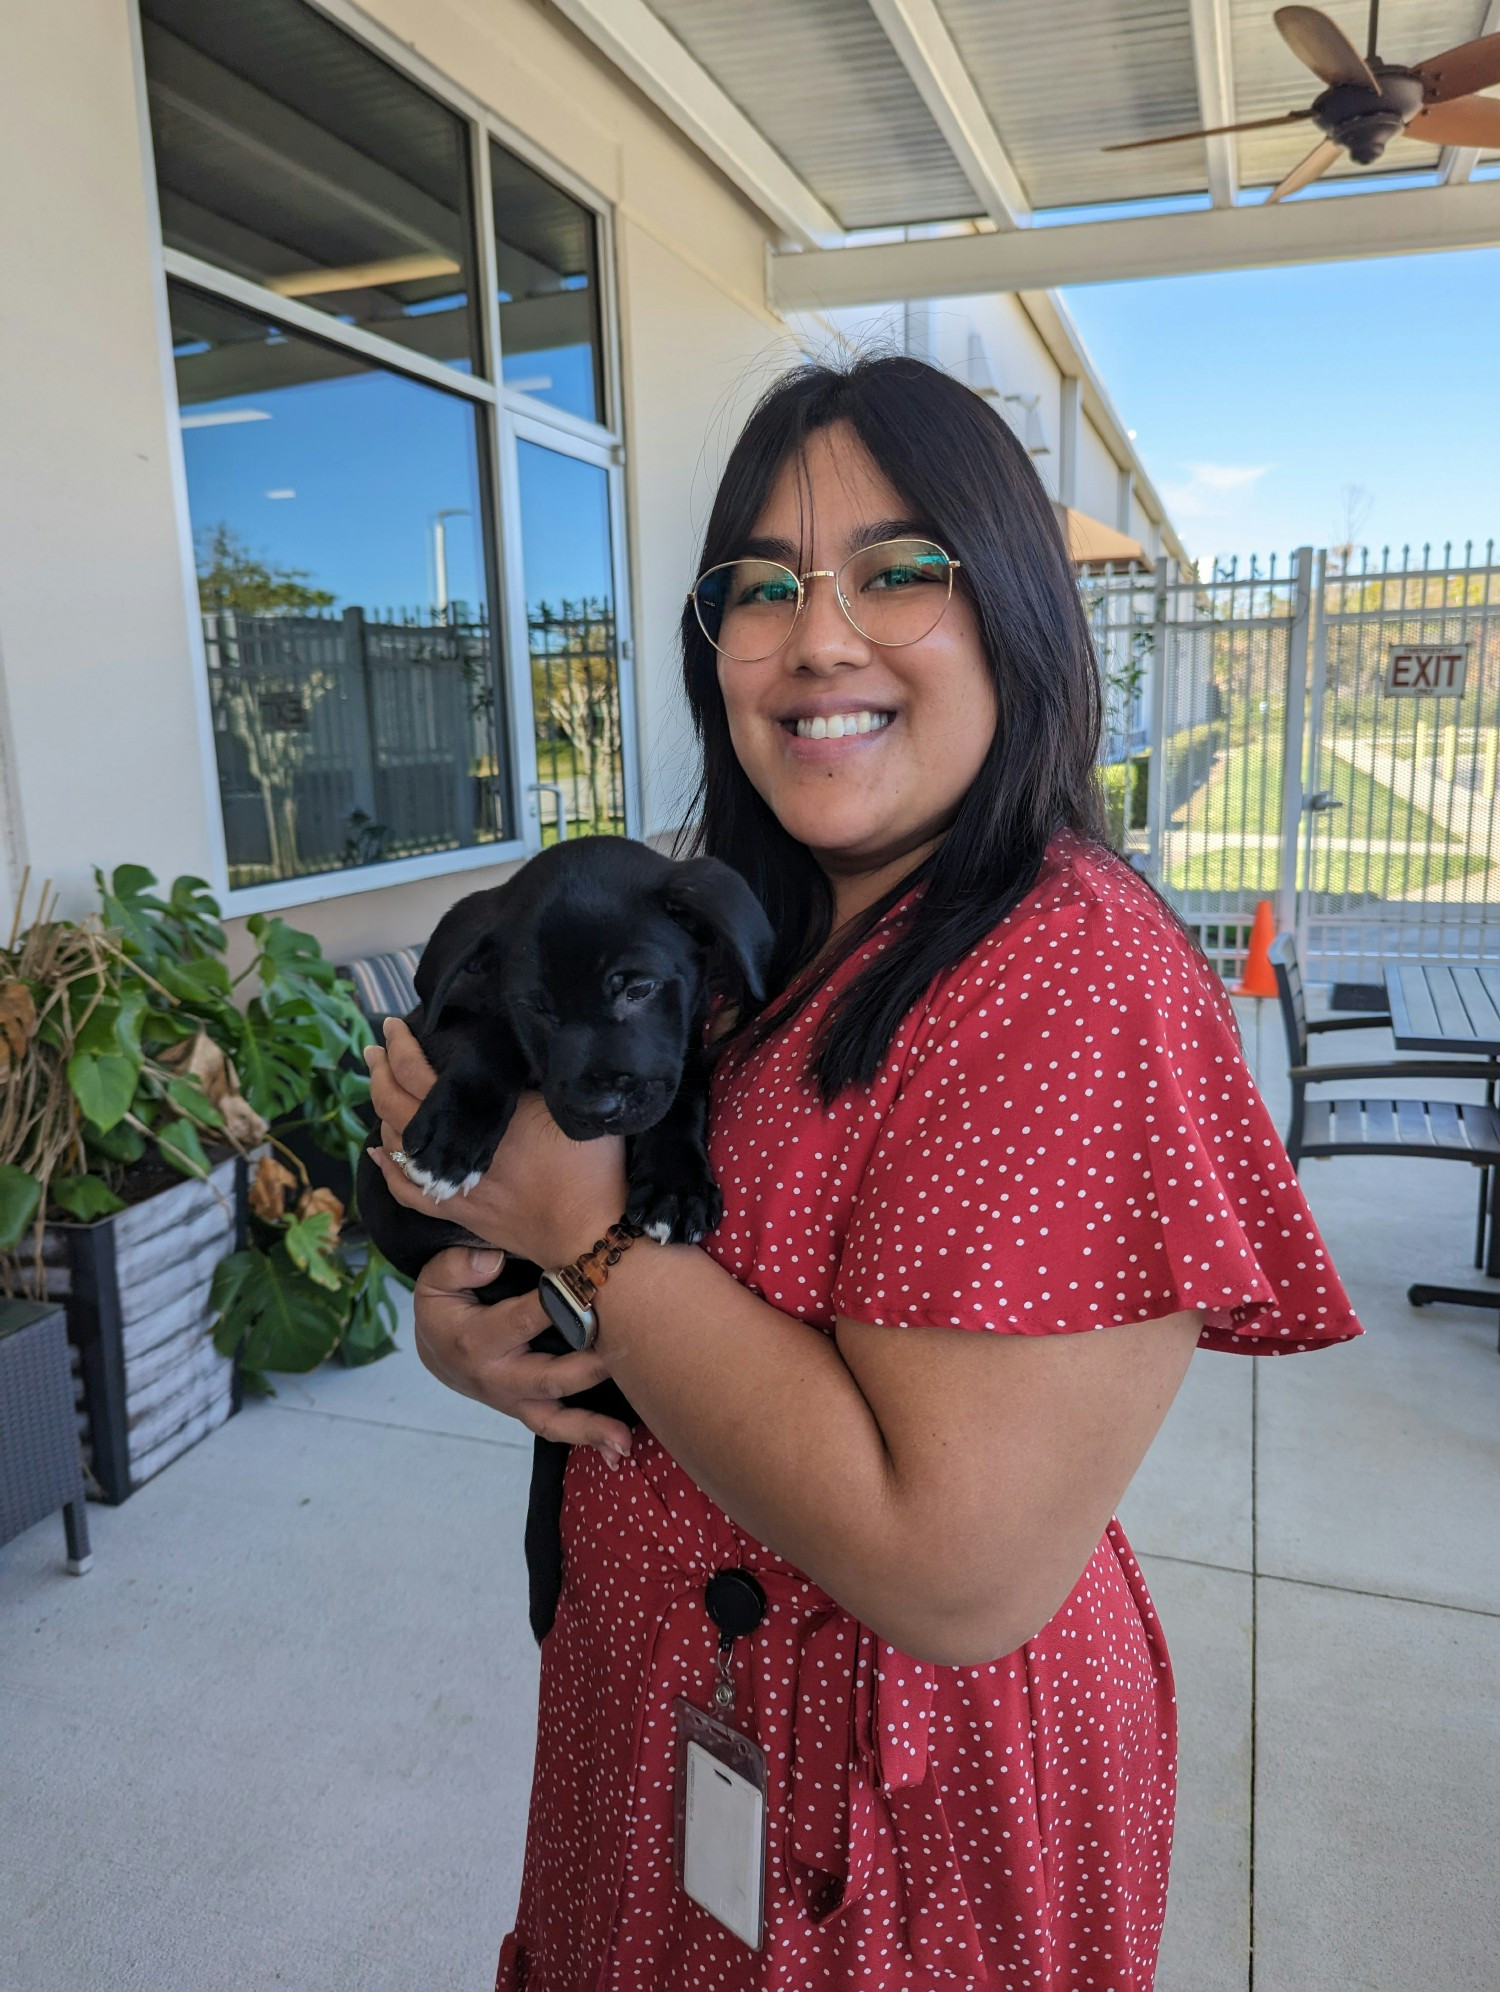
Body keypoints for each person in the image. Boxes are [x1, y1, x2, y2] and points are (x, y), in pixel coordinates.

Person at [366, 355, 1360, 1991]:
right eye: (761, 588)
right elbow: (620, 1242)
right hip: (675, 1705)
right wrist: (484, 1320)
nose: (819, 636)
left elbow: (955, 1573)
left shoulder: (1067, 971)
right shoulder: (763, 923)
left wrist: (590, 1243)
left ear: (1019, 613)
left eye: (899, 572)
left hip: (887, 1793)